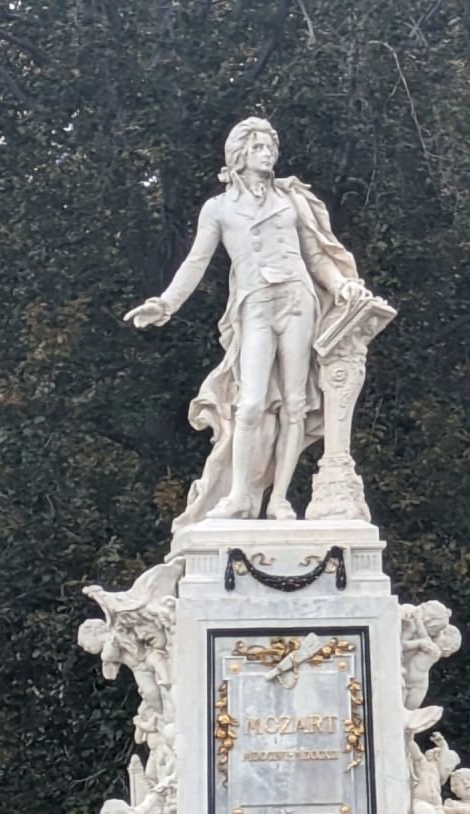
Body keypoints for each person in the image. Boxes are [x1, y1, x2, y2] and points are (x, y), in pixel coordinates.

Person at [125, 116, 372, 524]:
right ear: (239, 155)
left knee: (295, 403)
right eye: (259, 147)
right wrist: (166, 303)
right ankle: (240, 496)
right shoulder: (219, 208)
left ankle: (278, 499)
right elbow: (196, 261)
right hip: (255, 304)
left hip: (297, 300)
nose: (268, 153)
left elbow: (314, 257)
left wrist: (342, 285)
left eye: (271, 147)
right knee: (251, 402)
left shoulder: (290, 199)